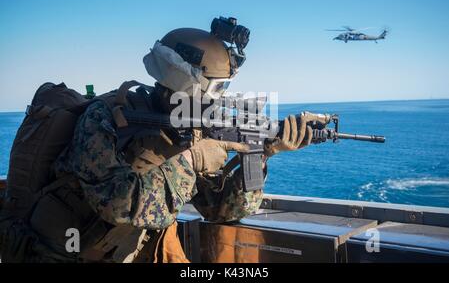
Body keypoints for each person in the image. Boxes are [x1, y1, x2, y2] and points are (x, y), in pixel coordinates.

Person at [0, 18, 325, 263]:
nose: (221, 98)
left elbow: (221, 210)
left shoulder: (194, 124)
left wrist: (262, 151)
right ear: (186, 82)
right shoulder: (105, 119)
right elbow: (119, 205)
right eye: (217, 88)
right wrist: (191, 159)